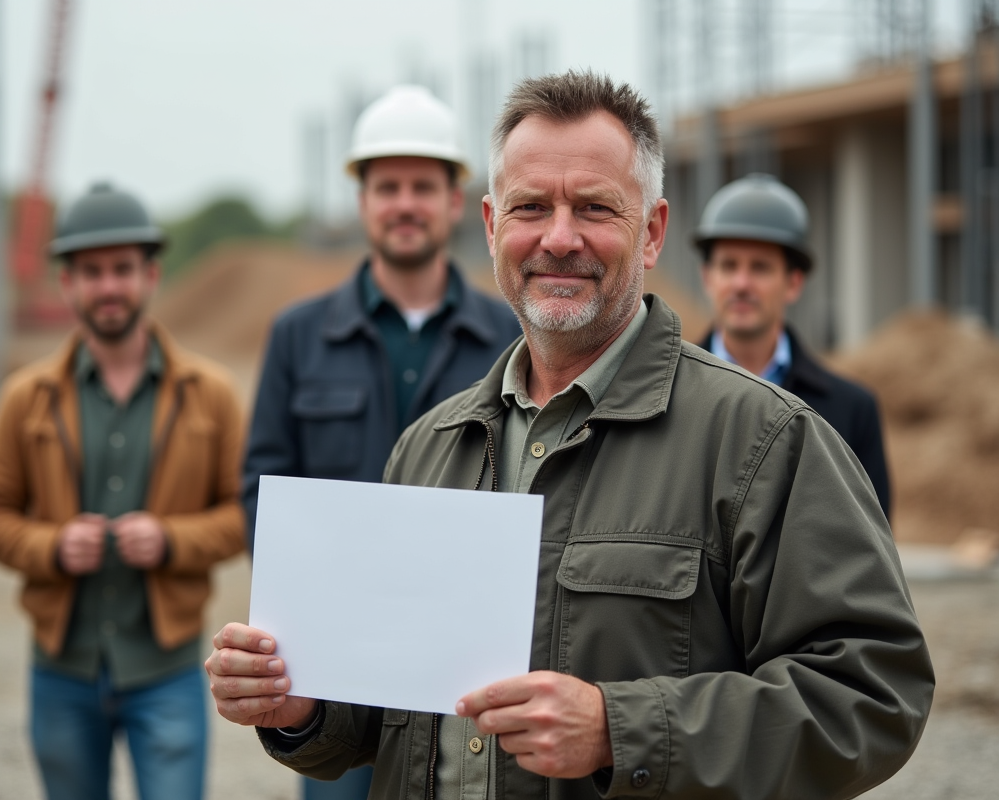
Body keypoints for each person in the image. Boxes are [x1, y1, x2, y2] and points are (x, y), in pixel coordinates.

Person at [207, 72, 934, 799]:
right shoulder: (428, 447)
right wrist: (304, 708)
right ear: (491, 227)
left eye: (593, 207)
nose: (559, 237)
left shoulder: (763, 441)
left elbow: (871, 694)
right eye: (531, 207)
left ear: (650, 232)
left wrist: (621, 731)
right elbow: (395, 708)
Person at [240, 86, 522, 800]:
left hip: (468, 665)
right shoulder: (298, 336)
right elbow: (262, 486)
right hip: (337, 667)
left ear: (457, 201)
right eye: (387, 185)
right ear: (362, 201)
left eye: (424, 186)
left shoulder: (512, 339)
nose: (405, 203)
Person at [0, 183, 245, 800]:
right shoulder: (25, 397)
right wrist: (52, 546)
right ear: (66, 284)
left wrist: (171, 540)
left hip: (167, 668)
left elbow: (246, 515)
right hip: (61, 670)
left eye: (122, 269)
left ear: (150, 275)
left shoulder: (212, 394)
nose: (108, 286)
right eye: (90, 272)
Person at [694, 173, 891, 515]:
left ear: (794, 282)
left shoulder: (853, 411)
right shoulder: (663, 397)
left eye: (760, 267)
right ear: (707, 278)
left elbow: (870, 548)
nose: (741, 284)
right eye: (729, 266)